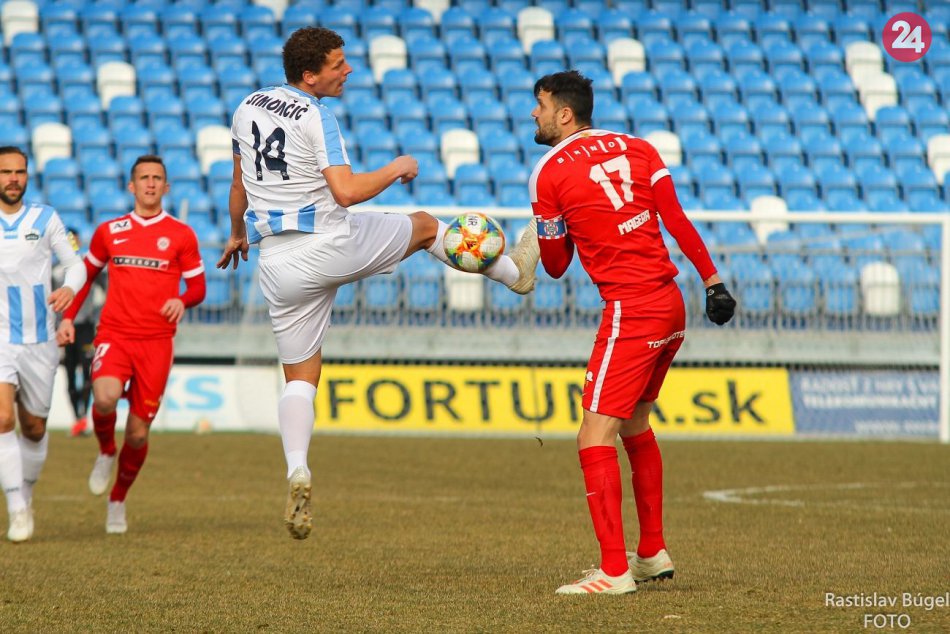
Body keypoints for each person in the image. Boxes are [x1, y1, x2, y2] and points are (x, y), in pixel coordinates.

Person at [218, 26, 541, 540]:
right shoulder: (315, 114)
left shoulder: (245, 106)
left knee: (299, 377)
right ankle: (515, 274)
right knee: (424, 226)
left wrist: (236, 233)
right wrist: (396, 167)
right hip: (325, 241)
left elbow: (238, 184)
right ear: (309, 75)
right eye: (338, 64)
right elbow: (345, 192)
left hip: (275, 263)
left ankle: (297, 468)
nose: (348, 71)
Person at [528, 71, 737, 595]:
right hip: (671, 305)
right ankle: (650, 553)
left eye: (540, 105)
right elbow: (675, 218)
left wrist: (545, 233)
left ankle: (614, 572)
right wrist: (713, 281)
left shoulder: (548, 172)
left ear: (565, 115)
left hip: (631, 310)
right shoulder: (639, 148)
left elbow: (555, 266)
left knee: (592, 435)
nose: (534, 114)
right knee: (636, 424)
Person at [57, 155, 206, 534]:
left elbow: (199, 287)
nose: (151, 184)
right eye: (144, 178)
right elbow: (86, 274)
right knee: (104, 398)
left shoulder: (181, 235)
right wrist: (69, 318)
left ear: (166, 187)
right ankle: (106, 451)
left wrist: (182, 300)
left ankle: (118, 500)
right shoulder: (110, 231)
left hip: (157, 343)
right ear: (131, 185)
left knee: (138, 434)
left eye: (157, 178)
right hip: (115, 334)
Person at [0, 146, 86, 542]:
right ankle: (17, 508)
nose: (13, 179)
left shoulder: (45, 217)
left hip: (40, 339)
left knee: (33, 428)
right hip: (1, 339)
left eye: (19, 172)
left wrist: (69, 289)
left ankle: (26, 494)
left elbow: (75, 264)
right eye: (6, 172)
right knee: (3, 420)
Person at [52, 228, 105, 437]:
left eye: (73, 240)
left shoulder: (87, 267)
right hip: (64, 328)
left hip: (85, 327)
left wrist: (98, 316)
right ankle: (78, 418)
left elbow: (106, 290)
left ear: (79, 241)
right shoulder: (55, 271)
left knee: (88, 371)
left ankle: (84, 416)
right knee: (70, 374)